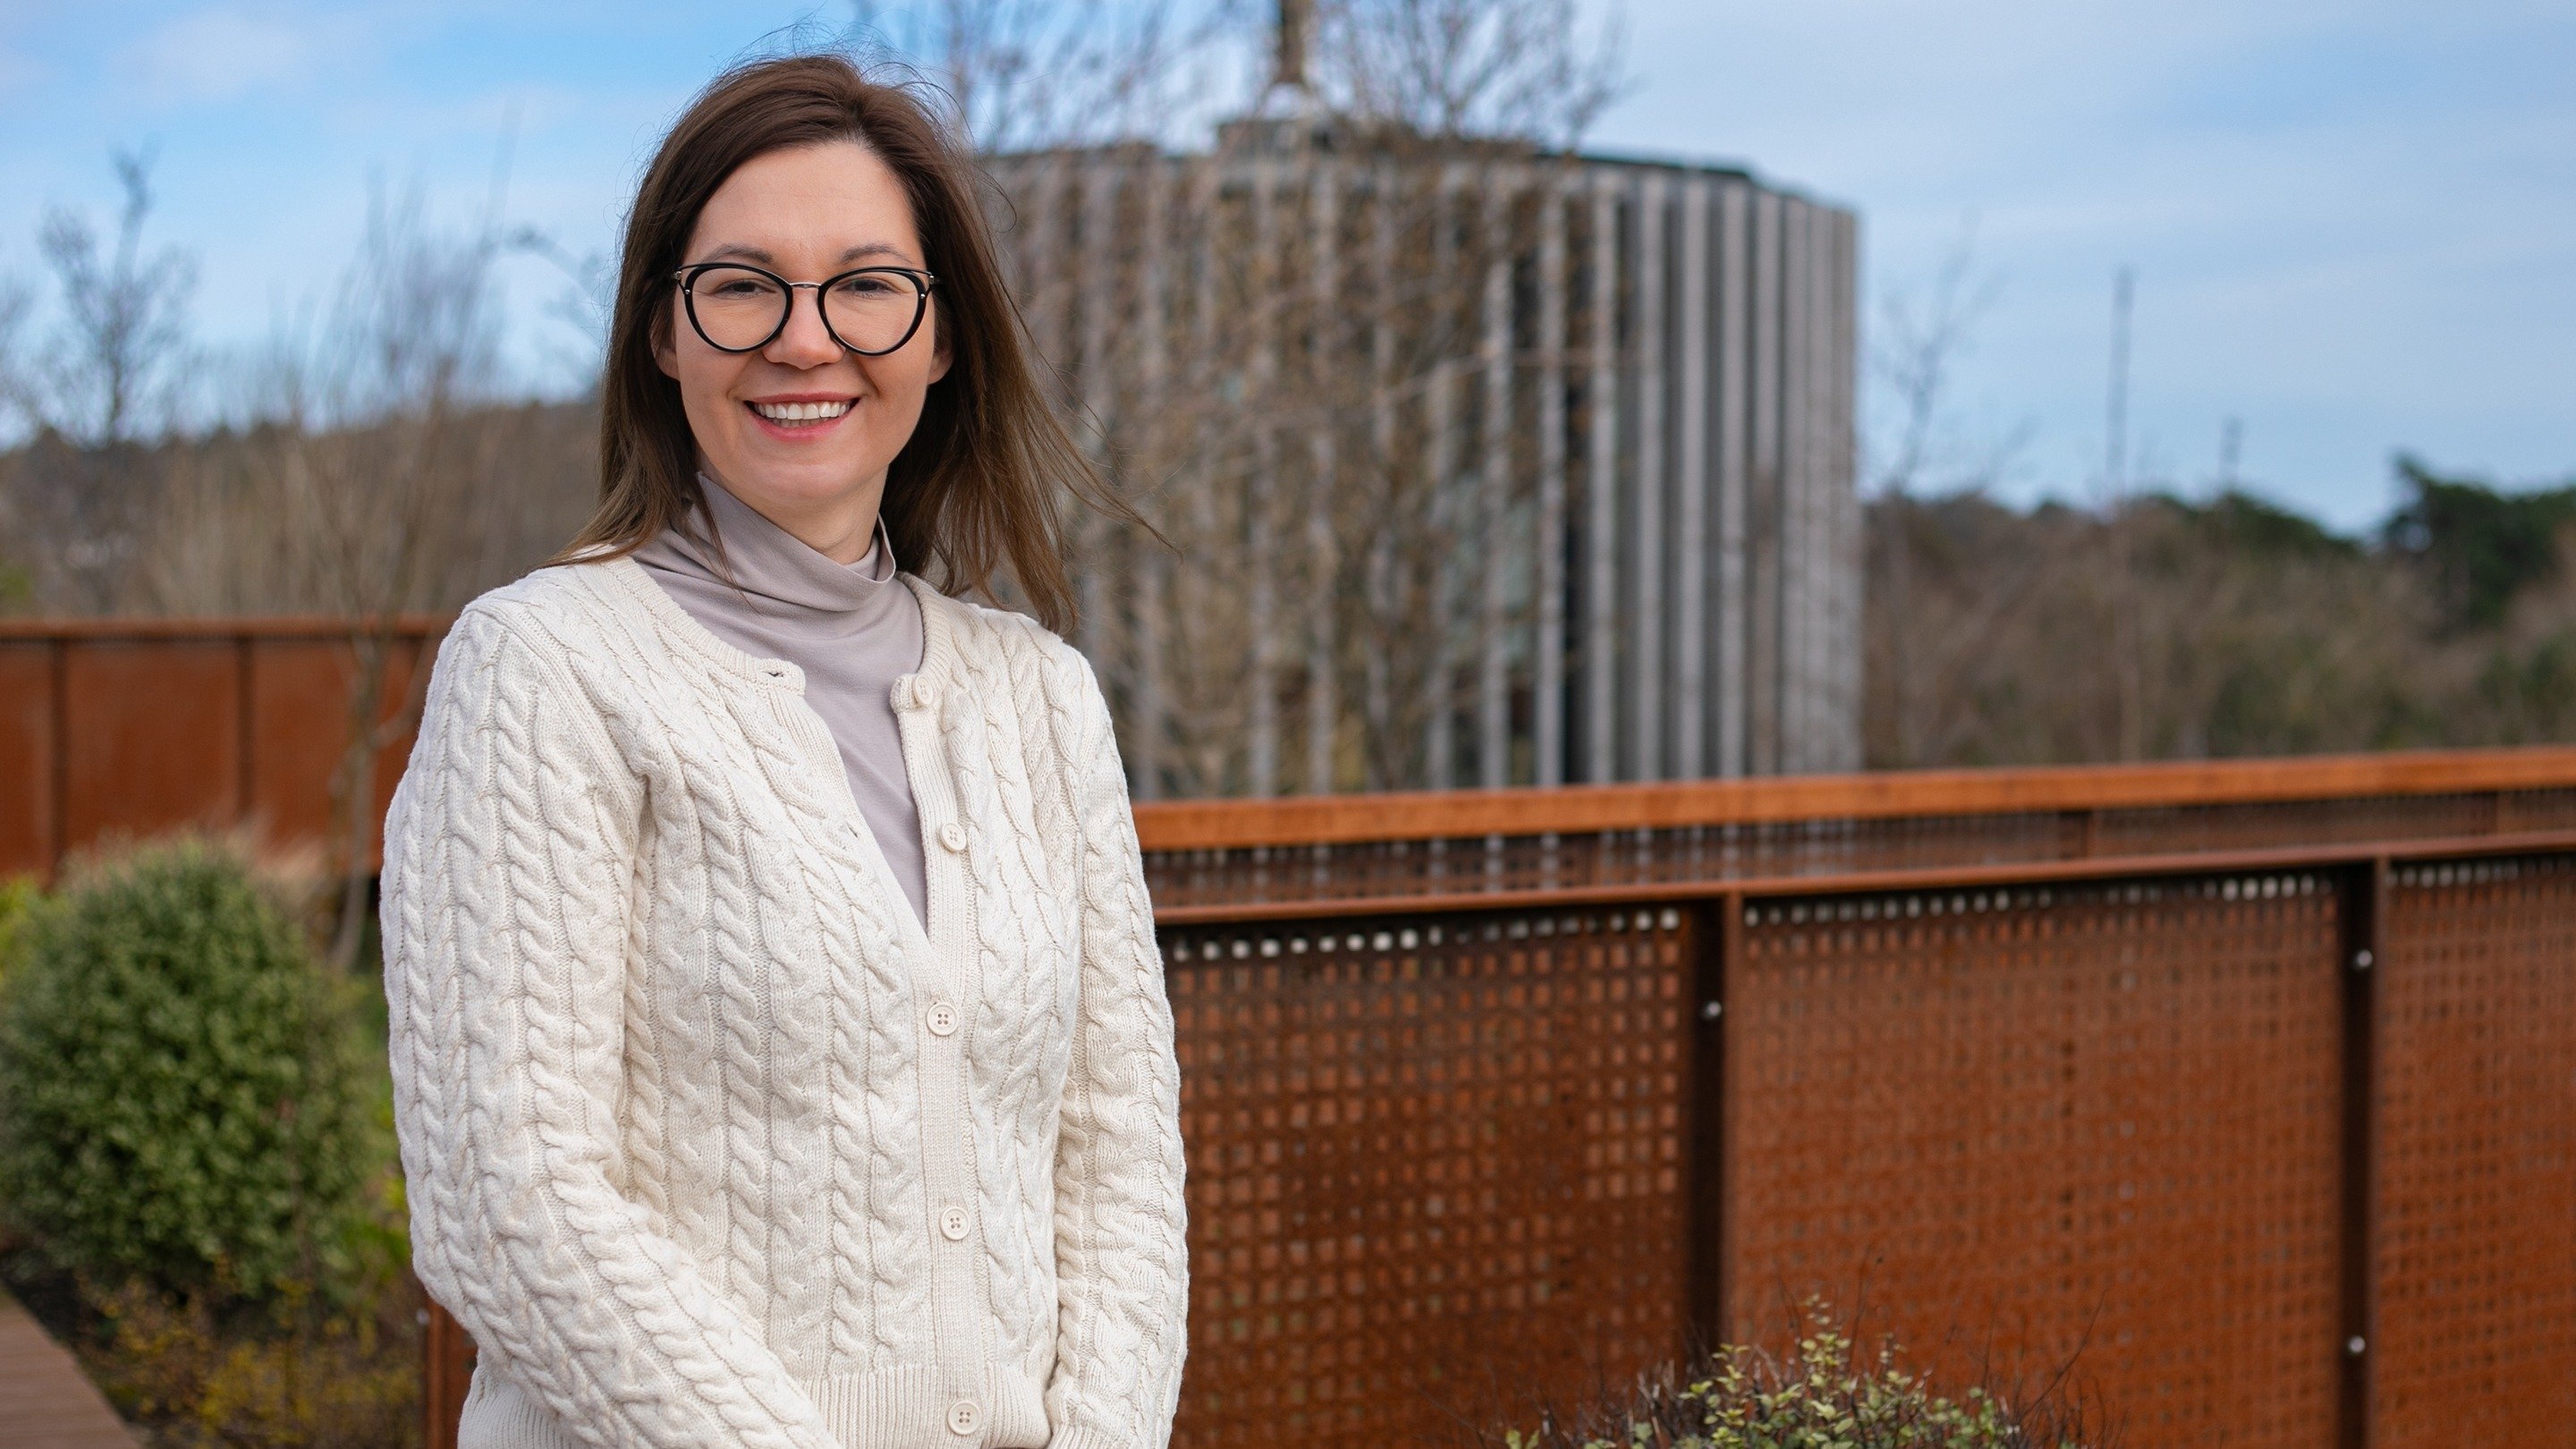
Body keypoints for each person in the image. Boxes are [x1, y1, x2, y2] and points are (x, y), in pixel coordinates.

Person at [381, 53, 1188, 1449]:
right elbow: (510, 1199)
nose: (805, 339)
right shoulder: (542, 668)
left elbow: (1118, 1168)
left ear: (941, 339)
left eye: (867, 284)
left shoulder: (1040, 698)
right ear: (663, 334)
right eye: (742, 284)